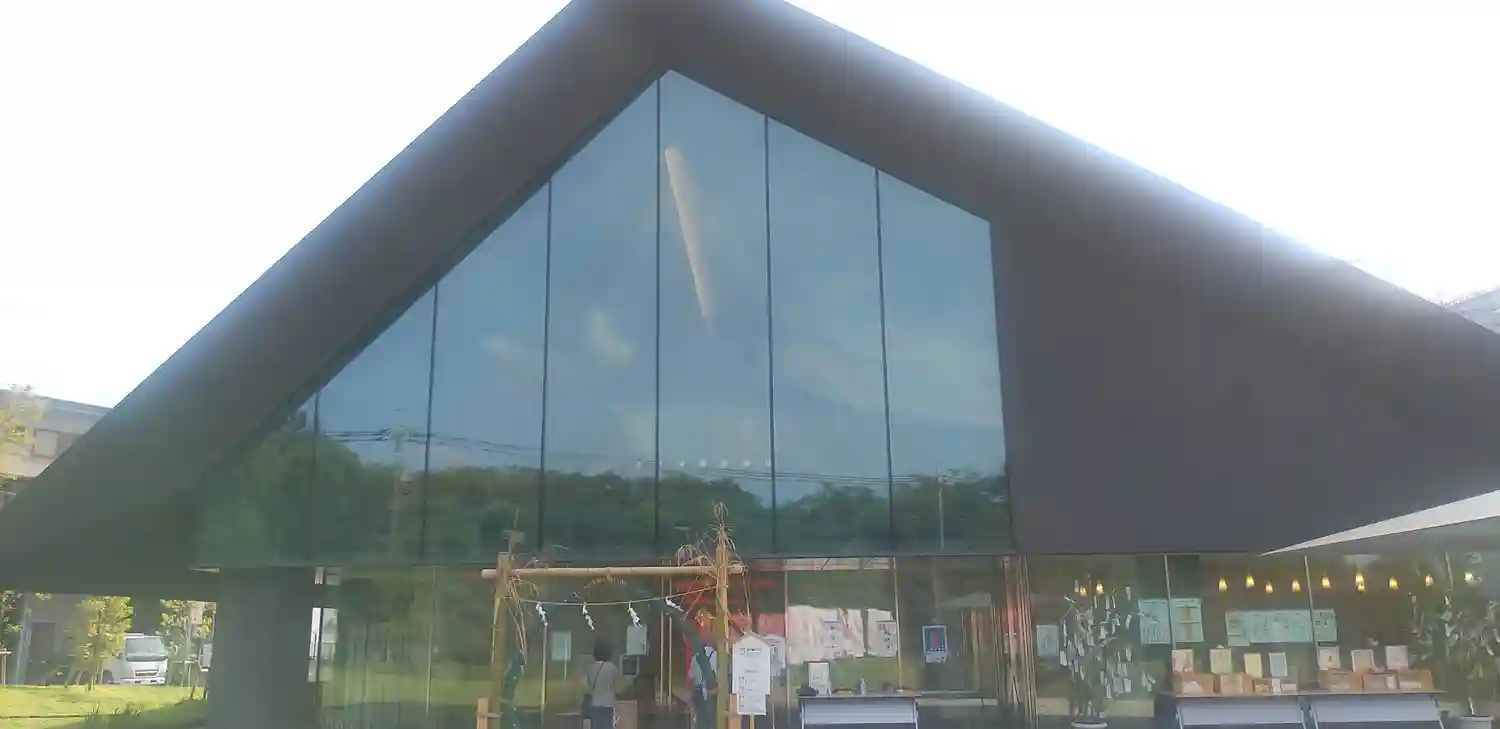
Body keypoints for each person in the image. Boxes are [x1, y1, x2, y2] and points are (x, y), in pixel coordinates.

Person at [585, 640, 623, 729]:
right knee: (607, 725)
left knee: (596, 725)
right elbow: (619, 685)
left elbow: (589, 684)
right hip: (607, 703)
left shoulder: (590, 668)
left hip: (595, 703)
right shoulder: (611, 667)